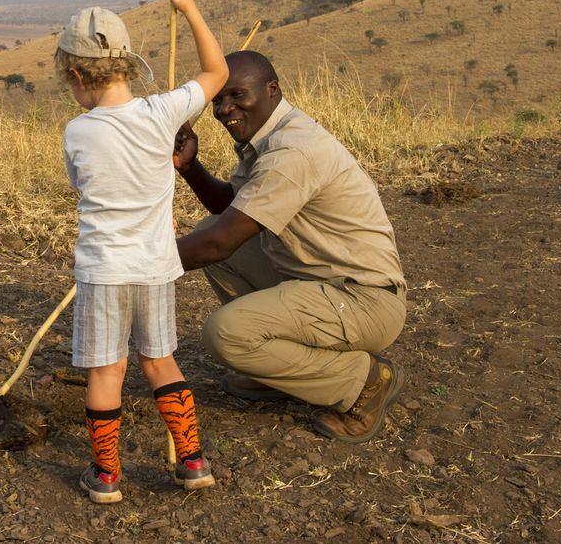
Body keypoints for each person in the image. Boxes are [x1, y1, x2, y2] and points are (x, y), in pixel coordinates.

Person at [173, 51, 407, 444]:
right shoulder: (268, 138)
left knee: (226, 333)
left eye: (236, 95)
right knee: (210, 227)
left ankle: (363, 382)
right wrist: (190, 167)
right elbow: (228, 210)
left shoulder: (291, 151)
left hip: (362, 299)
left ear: (272, 90)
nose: (224, 109)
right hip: (318, 283)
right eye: (218, 99)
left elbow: (219, 245)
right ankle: (283, 370)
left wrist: (137, 260)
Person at [58, 0, 228, 504]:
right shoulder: (162, 114)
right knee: (161, 363)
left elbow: (81, 185)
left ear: (77, 76)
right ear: (127, 66)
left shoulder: (77, 132)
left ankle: (107, 476)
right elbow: (216, 72)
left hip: (104, 271)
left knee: (107, 371)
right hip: (156, 267)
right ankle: (193, 461)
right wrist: (190, 10)